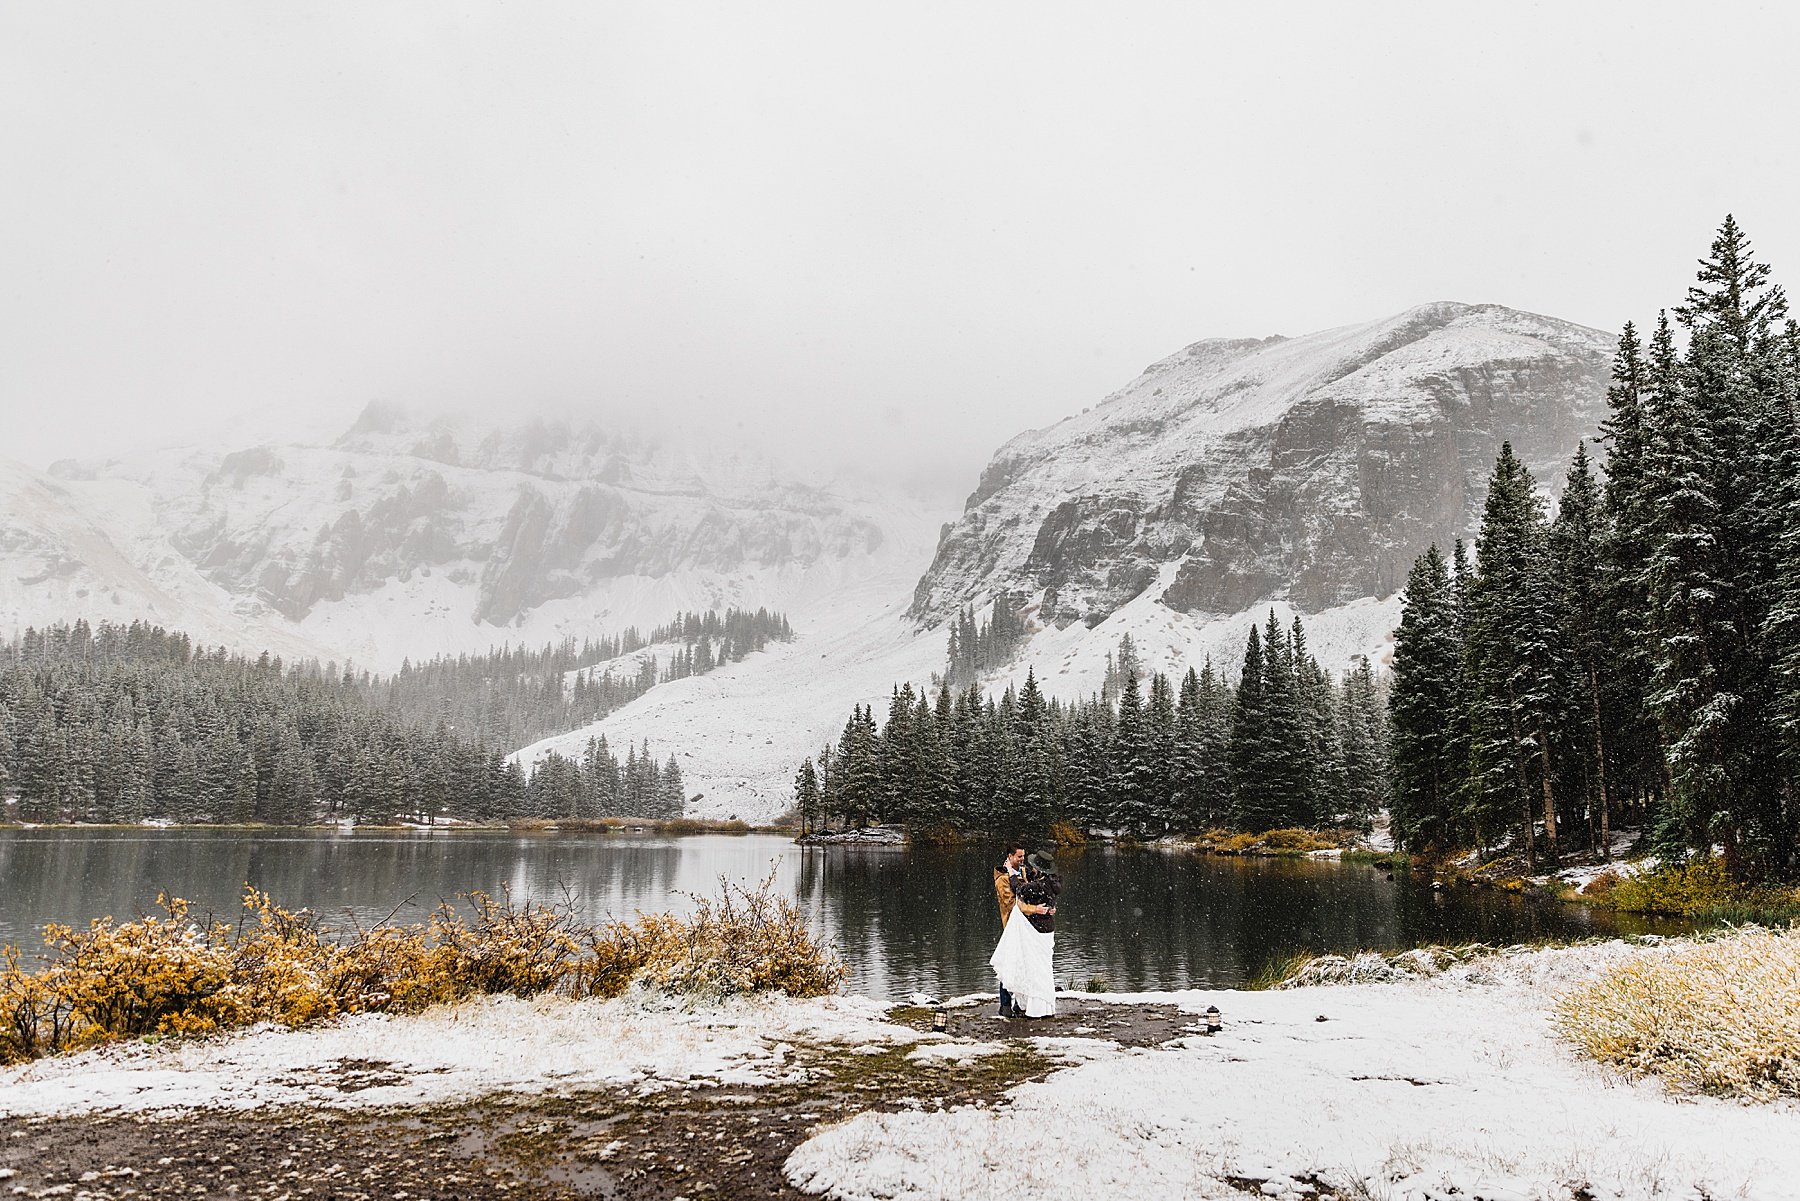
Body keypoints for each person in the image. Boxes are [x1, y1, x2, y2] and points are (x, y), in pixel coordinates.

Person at [990, 844, 1057, 1018]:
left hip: (1029, 928)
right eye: (1019, 857)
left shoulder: (1025, 872)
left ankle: (1022, 1003)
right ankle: (1005, 1004)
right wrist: (1035, 909)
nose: (1022, 860)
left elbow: (1037, 890)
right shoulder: (1003, 879)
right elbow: (1012, 905)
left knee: (1025, 964)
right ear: (1010, 857)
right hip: (1013, 926)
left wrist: (1049, 906)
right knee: (1010, 961)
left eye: (1023, 856)